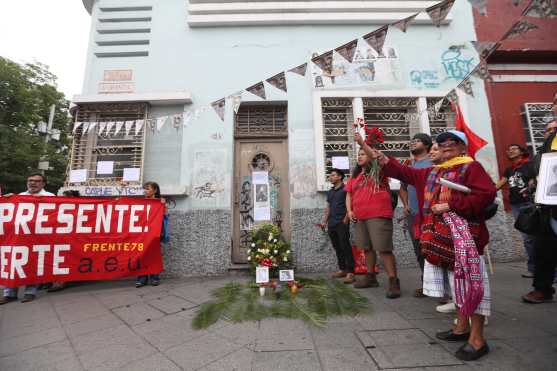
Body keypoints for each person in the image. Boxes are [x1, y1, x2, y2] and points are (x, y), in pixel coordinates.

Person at [357, 130, 496, 361]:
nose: (447, 145)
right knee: (455, 287)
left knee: (471, 287)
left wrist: (451, 204)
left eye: (454, 142)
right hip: (441, 240)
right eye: (442, 143)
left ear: (463, 147)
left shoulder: (471, 168)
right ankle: (461, 328)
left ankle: (478, 340)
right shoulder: (433, 173)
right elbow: (400, 171)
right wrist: (369, 148)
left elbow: (486, 195)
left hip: (466, 240)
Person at [345, 148, 400, 298]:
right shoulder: (355, 175)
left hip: (378, 214)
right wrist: (349, 211)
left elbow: (377, 157)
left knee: (383, 249)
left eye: (363, 154)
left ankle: (393, 281)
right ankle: (371, 277)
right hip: (360, 217)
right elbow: (349, 194)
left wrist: (361, 142)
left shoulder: (378, 169)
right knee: (366, 248)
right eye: (358, 154)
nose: (359, 156)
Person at [0, 173, 55, 304]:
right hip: (18, 238)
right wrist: (5, 200)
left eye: (37, 181)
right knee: (13, 264)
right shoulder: (19, 196)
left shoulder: (51, 197)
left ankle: (30, 292)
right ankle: (9, 294)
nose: (33, 183)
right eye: (30, 180)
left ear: (43, 183)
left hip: (38, 238)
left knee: (33, 264)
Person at [522, 120, 557, 304]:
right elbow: (536, 167)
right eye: (548, 129)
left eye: (554, 128)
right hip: (549, 206)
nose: (551, 131)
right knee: (543, 249)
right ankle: (542, 289)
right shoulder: (549, 143)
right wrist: (534, 181)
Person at [399, 133, 433, 297]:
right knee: (419, 249)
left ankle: (442, 286)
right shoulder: (409, 164)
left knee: (433, 248)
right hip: (414, 215)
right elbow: (402, 188)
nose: (412, 143)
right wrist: (406, 205)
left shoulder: (434, 162)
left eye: (417, 140)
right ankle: (426, 283)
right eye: (411, 141)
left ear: (427, 145)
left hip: (431, 213)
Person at [496, 144, 535, 278]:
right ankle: (534, 269)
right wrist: (484, 191)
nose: (510, 151)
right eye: (509, 149)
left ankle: (542, 268)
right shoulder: (509, 170)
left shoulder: (529, 165)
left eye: (514, 149)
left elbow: (533, 181)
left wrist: (530, 187)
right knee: (527, 238)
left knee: (533, 237)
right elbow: (499, 184)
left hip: (529, 203)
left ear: (521, 152)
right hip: (516, 205)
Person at [321, 168, 355, 284]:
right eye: (330, 175)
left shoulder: (346, 189)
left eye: (333, 175)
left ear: (340, 177)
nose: (330, 177)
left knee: (345, 246)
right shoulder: (330, 191)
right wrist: (324, 221)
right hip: (332, 224)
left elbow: (351, 204)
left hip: (342, 223)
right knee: (337, 247)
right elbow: (328, 207)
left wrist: (346, 219)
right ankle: (342, 269)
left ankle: (351, 272)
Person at [47, 190, 81, 293]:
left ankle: (61, 281)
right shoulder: (59, 207)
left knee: (66, 259)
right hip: (61, 237)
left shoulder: (80, 207)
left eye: (67, 196)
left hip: (73, 238)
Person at [136, 181, 167, 288]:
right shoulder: (141, 202)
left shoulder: (159, 202)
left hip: (155, 233)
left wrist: (162, 204)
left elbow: (163, 216)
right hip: (143, 233)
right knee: (142, 254)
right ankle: (142, 278)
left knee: (154, 255)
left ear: (154, 190)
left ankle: (155, 277)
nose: (145, 191)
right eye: (144, 188)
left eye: (148, 188)